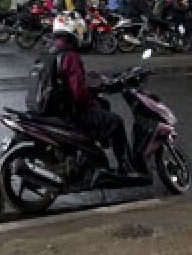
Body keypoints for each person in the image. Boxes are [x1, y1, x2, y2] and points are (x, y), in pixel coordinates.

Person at [46, 15, 139, 176]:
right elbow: (78, 93)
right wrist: (91, 101)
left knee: (102, 106)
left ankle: (88, 155)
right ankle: (125, 167)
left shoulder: (49, 51)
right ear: (72, 32)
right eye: (78, 30)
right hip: (69, 112)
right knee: (115, 122)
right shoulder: (70, 56)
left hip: (51, 109)